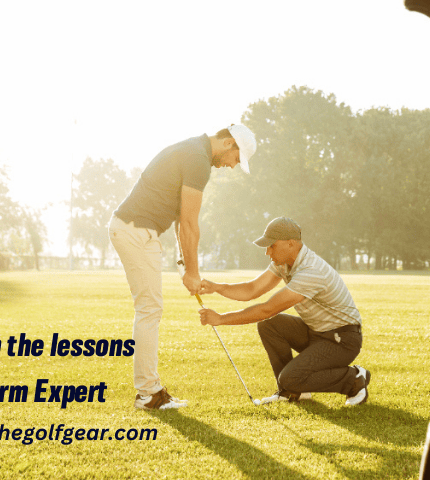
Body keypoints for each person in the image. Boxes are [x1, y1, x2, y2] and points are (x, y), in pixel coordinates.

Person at [109, 124, 257, 410]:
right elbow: (190, 223)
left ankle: (150, 391)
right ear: (228, 144)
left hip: (142, 231)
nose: (233, 166)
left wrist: (183, 262)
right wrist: (192, 272)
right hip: (133, 230)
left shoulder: (194, 151)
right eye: (236, 159)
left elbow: (180, 219)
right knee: (149, 309)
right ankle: (149, 394)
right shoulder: (197, 160)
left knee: (151, 308)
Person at [198, 217, 371, 406]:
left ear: (290, 244)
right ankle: (291, 392)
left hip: (342, 340)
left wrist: (221, 319)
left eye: (271, 246)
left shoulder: (311, 271)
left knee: (288, 375)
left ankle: (353, 379)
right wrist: (216, 287)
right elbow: (253, 289)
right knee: (270, 325)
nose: (267, 252)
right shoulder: (283, 263)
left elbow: (267, 309)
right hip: (316, 332)